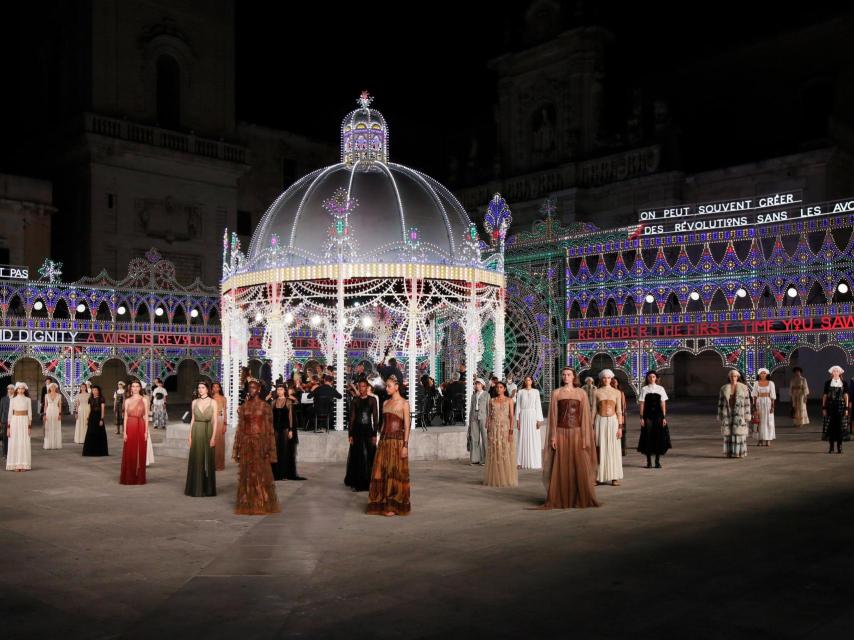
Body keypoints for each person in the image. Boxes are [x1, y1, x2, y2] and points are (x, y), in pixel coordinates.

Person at [541, 368, 599, 509]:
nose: (566, 376)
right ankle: (560, 497)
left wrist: (585, 437)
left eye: (568, 374)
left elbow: (585, 417)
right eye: (564, 374)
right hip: (560, 432)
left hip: (577, 432)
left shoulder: (581, 393)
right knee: (560, 465)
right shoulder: (556, 393)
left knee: (577, 465)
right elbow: (553, 417)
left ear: (574, 377)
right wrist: (553, 436)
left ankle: (578, 497)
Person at [233, 379, 280, 515]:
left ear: (259, 389)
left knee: (260, 472)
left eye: (254, 388)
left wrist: (269, 447)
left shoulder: (265, 407)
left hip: (260, 442)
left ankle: (262, 501)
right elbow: (240, 428)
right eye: (250, 388)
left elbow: (269, 429)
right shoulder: (244, 407)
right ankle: (248, 501)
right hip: (247, 442)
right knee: (248, 473)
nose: (251, 390)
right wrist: (238, 446)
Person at [367, 375, 411, 516]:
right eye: (386, 386)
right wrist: (380, 440)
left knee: (395, 472)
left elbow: (407, 426)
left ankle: (393, 504)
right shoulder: (385, 403)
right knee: (381, 471)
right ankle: (383, 502)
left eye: (389, 386)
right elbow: (383, 424)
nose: (387, 388)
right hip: (385, 442)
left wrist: (405, 445)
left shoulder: (404, 403)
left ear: (397, 387)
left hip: (397, 443)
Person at [345, 379, 379, 491]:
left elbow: (375, 418)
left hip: (368, 430)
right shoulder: (355, 400)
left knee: (370, 454)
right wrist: (350, 434)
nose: (361, 388)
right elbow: (352, 418)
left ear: (367, 387)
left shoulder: (372, 400)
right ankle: (358, 482)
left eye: (364, 386)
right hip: (357, 430)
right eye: (360, 386)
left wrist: (375, 434)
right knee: (358, 455)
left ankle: (370, 481)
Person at [185, 381, 217, 497]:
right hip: (196, 429)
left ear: (207, 389)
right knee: (196, 457)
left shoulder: (213, 402)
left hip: (208, 429)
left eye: (203, 388)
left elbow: (215, 421)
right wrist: (189, 435)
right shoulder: (194, 402)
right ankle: (195, 487)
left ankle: (207, 489)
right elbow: (192, 419)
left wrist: (213, 436)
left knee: (207, 458)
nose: (200, 390)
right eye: (199, 388)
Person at [485, 381, 517, 487]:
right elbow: (489, 416)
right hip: (494, 429)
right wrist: (488, 430)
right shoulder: (491, 401)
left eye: (501, 387)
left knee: (505, 451)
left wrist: (511, 432)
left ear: (504, 389)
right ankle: (496, 477)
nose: (499, 389)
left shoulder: (510, 401)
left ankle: (506, 478)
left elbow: (512, 417)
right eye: (497, 387)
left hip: (505, 428)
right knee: (495, 452)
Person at [593, 370, 623, 486]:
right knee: (600, 448)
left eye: (609, 378)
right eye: (604, 378)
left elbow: (619, 411)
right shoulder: (596, 392)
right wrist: (591, 426)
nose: (606, 380)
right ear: (601, 379)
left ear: (612, 379)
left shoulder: (617, 393)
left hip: (613, 422)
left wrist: (620, 427)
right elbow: (593, 410)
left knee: (613, 448)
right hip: (600, 421)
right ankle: (597, 476)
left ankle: (614, 477)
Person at [271, 383, 304, 481]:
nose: (279, 391)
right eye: (278, 389)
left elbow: (290, 417)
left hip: (285, 428)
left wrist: (290, 430)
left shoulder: (288, 401)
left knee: (285, 450)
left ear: (284, 390)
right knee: (276, 450)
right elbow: (271, 417)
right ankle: (276, 473)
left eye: (281, 389)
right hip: (275, 428)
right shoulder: (273, 402)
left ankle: (285, 474)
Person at [638, 371, 670, 468]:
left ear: (656, 378)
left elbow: (663, 403)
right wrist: (641, 417)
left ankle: (657, 461)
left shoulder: (661, 389)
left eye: (653, 376)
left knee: (658, 437)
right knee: (647, 436)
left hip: (658, 415)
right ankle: (649, 462)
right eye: (650, 376)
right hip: (647, 416)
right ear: (647, 378)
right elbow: (642, 404)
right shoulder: (644, 389)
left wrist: (664, 417)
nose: (652, 378)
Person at [120, 380, 149, 484]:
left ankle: (139, 476)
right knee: (130, 450)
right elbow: (125, 417)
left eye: (137, 386)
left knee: (141, 450)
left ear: (140, 388)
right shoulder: (127, 401)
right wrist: (124, 432)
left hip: (141, 424)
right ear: (130, 388)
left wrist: (146, 431)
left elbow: (146, 417)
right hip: (130, 425)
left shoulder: (144, 400)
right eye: (133, 386)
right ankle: (129, 476)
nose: (135, 388)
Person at [718, 370, 752, 459]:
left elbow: (747, 402)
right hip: (728, 412)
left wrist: (747, 414)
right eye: (732, 376)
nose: (733, 378)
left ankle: (739, 453)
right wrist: (720, 414)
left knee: (739, 433)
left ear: (738, 377)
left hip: (739, 413)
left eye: (735, 376)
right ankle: (729, 453)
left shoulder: (744, 388)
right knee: (728, 433)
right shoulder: (724, 388)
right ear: (729, 377)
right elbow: (720, 403)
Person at [516, 375, 543, 470]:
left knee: (533, 437)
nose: (528, 381)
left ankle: (534, 461)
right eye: (526, 380)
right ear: (524, 381)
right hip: (523, 415)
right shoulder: (520, 392)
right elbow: (518, 406)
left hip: (533, 416)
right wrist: (517, 420)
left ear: (532, 381)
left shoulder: (536, 392)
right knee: (522, 437)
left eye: (529, 380)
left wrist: (539, 419)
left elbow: (538, 405)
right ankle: (520, 462)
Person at [822, 365, 849, 454]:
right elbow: (825, 395)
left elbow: (846, 395)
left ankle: (839, 446)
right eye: (834, 371)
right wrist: (824, 407)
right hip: (830, 407)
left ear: (840, 372)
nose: (835, 372)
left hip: (840, 406)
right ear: (832, 373)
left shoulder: (844, 383)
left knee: (840, 427)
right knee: (831, 427)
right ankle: (831, 447)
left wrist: (846, 407)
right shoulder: (828, 383)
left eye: (837, 371)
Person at [6, 382, 32, 471]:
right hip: (15, 421)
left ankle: (23, 464)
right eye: (19, 388)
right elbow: (9, 414)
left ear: (25, 389)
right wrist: (8, 428)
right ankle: (15, 465)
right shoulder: (12, 400)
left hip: (24, 421)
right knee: (15, 441)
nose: (21, 390)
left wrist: (29, 427)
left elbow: (30, 414)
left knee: (23, 442)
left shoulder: (28, 399)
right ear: (17, 389)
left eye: (23, 388)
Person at [467, 378, 489, 465]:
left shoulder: (487, 395)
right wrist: (470, 420)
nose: (477, 385)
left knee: (485, 438)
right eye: (476, 384)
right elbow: (471, 409)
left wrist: (488, 420)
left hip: (483, 417)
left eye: (479, 384)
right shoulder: (473, 396)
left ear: (482, 385)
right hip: (474, 417)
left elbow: (488, 408)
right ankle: (475, 459)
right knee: (474, 438)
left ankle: (485, 459)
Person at [752, 368, 776, 447]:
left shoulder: (771, 383)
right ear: (759, 374)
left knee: (768, 421)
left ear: (767, 374)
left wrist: (772, 406)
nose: (763, 375)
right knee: (760, 421)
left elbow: (772, 396)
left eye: (764, 373)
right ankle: (760, 439)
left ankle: (768, 439)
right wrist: (754, 406)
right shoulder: (756, 383)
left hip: (768, 403)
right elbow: (754, 396)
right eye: (761, 373)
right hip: (759, 402)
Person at [83, 385, 108, 456]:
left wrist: (102, 419)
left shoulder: (101, 398)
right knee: (90, 433)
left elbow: (103, 410)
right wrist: (88, 418)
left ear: (98, 391)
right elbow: (90, 409)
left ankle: (99, 451)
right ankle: (90, 451)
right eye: (93, 390)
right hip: (92, 417)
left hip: (98, 417)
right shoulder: (90, 399)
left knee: (99, 433)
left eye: (96, 390)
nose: (94, 391)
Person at [210, 381, 228, 471]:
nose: (215, 388)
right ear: (212, 389)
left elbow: (224, 411)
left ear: (220, 388)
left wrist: (225, 424)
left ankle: (219, 465)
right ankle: (211, 464)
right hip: (211, 421)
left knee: (220, 443)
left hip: (220, 420)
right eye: (214, 387)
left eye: (217, 387)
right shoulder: (210, 398)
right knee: (211, 442)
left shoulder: (223, 398)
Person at [42, 382, 62, 449]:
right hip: (49, 411)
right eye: (51, 387)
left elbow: (60, 405)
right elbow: (45, 405)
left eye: (54, 387)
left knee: (56, 427)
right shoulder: (46, 395)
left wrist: (60, 414)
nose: (52, 388)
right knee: (48, 427)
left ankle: (56, 444)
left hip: (56, 411)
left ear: (56, 388)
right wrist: (44, 414)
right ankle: (49, 444)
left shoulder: (59, 395)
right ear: (49, 388)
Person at [611, 378, 628, 456]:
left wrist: (623, 416)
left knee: (622, 432)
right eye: (612, 382)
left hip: (620, 414)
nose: (614, 383)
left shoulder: (621, 393)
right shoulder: (610, 392)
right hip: (611, 415)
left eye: (615, 382)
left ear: (618, 383)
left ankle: (622, 450)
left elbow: (623, 405)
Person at [0, 384, 14, 458]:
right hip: (4, 421)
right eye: (9, 389)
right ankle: (5, 453)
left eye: (12, 389)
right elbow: (1, 410)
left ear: (14, 390)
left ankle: (12, 453)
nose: (10, 390)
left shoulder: (16, 399)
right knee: (5, 438)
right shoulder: (3, 399)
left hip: (14, 421)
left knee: (13, 437)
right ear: (7, 390)